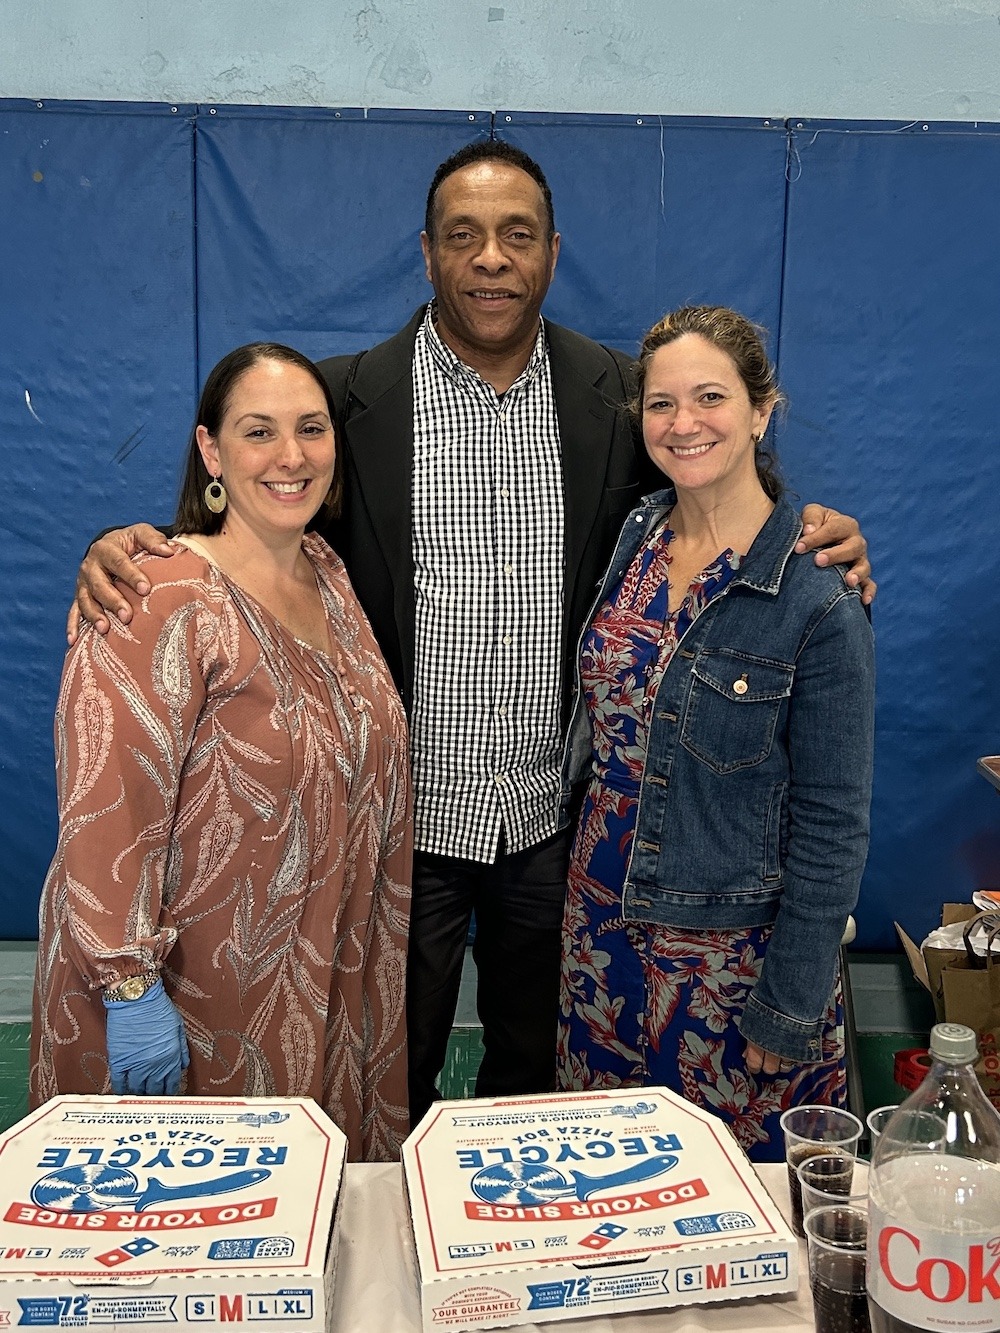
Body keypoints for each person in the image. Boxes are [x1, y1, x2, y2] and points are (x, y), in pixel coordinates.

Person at [66, 142, 873, 1129]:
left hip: (557, 831)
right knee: (381, 1075)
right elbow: (246, 530)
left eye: (516, 234)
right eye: (464, 235)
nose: (490, 256)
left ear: (550, 251)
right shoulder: (337, 406)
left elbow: (715, 502)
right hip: (397, 831)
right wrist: (125, 543)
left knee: (536, 1090)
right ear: (427, 253)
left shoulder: (626, 401)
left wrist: (823, 531)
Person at [33, 344, 411, 1163]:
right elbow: (105, 805)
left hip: (315, 984)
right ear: (210, 449)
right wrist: (128, 987)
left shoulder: (328, 574)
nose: (291, 456)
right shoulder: (157, 593)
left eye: (311, 429)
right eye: (258, 431)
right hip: (192, 1000)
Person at [557, 305, 875, 1160]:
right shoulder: (638, 537)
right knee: (612, 1189)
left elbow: (834, 820)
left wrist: (793, 996)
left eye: (710, 397)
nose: (683, 423)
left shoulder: (818, 595)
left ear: (762, 407)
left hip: (731, 965)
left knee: (739, 1217)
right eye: (661, 403)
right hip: (603, 931)